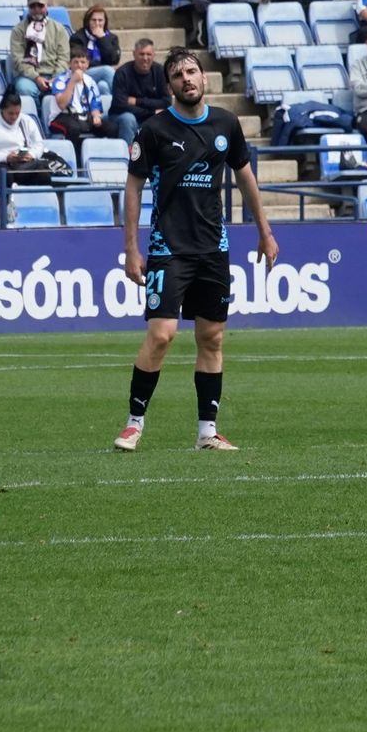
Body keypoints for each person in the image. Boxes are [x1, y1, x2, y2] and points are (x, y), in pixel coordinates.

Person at [115, 48, 277, 453]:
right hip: (168, 248)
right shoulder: (154, 131)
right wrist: (131, 249)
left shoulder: (226, 123)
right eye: (177, 75)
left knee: (212, 337)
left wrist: (265, 232)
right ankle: (134, 423)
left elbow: (245, 179)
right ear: (168, 85)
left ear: (204, 78)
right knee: (162, 335)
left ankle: (207, 431)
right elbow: (133, 189)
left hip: (213, 249)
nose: (186, 79)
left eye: (191, 71)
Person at [49, 43, 118, 155]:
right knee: (74, 129)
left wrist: (96, 116)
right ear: (69, 64)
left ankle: (105, 158)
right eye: (75, 62)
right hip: (61, 117)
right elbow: (61, 104)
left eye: (82, 62)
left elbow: (95, 103)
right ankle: (75, 162)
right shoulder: (60, 80)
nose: (79, 65)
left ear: (87, 64)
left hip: (84, 117)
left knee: (112, 128)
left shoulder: (90, 81)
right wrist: (72, 82)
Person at [0, 91, 52, 186]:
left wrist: (31, 154)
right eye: (10, 113)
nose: (14, 117)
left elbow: (38, 144)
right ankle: (8, 200)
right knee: (7, 176)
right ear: (2, 109)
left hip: (21, 163)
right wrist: (6, 157)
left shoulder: (26, 121)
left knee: (43, 174)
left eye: (17, 113)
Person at [9, 0, 70, 103]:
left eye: (40, 6)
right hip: (29, 78)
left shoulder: (59, 29)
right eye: (33, 6)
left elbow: (64, 58)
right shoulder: (18, 30)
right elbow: (18, 60)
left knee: (69, 86)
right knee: (24, 88)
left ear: (47, 5)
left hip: (55, 75)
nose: (37, 10)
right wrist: (36, 78)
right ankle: (38, 115)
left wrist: (55, 78)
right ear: (28, 7)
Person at [109, 39, 169, 142]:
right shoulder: (122, 73)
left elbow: (166, 101)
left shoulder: (160, 71)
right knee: (128, 118)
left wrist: (137, 101)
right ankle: (130, 155)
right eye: (141, 54)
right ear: (134, 54)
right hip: (120, 116)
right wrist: (151, 112)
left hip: (148, 115)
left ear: (154, 55)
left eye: (148, 54)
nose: (145, 58)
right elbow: (120, 105)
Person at [74, 5, 121, 96]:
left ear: (105, 22)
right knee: (107, 70)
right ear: (88, 22)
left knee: (102, 86)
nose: (97, 23)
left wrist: (102, 39)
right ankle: (121, 99)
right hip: (82, 73)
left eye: (100, 20)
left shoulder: (111, 38)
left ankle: (109, 108)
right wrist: (103, 65)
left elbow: (114, 60)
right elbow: (80, 61)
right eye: (93, 20)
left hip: (103, 75)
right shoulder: (78, 38)